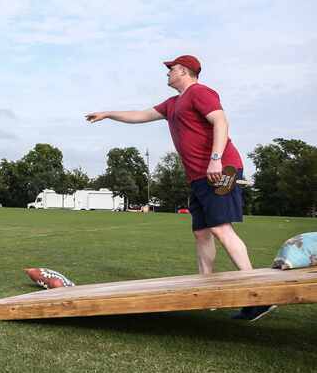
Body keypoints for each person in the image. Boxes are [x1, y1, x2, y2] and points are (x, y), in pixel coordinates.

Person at [86, 54, 275, 322]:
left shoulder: (200, 92)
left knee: (221, 228)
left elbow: (221, 122)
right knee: (201, 233)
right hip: (198, 177)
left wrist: (216, 159)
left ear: (184, 71)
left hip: (221, 168)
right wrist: (108, 113)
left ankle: (260, 295)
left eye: (171, 69)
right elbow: (140, 115)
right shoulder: (173, 103)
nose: (167, 73)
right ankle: (205, 292)